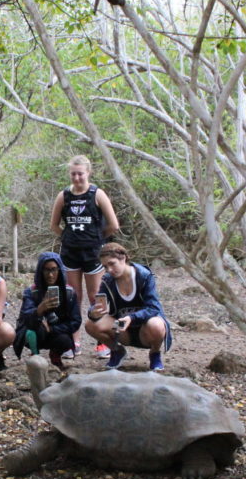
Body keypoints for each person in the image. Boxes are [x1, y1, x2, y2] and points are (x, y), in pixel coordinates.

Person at [50, 155, 120, 359]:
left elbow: (113, 224)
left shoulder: (97, 194)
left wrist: (97, 239)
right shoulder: (63, 196)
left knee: (95, 296)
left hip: (93, 254)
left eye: (80, 173)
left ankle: (102, 341)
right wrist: (68, 237)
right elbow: (54, 225)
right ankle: (74, 342)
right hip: (70, 253)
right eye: (73, 174)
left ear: (88, 173)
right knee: (73, 297)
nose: (77, 178)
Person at [84, 242, 171, 372]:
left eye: (112, 264)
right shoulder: (107, 280)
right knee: (91, 324)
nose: (109, 270)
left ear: (123, 258)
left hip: (144, 329)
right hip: (122, 329)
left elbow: (153, 308)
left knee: (157, 324)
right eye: (105, 266)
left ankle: (155, 354)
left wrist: (131, 318)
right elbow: (96, 306)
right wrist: (93, 313)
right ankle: (117, 351)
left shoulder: (144, 276)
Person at [13, 251, 82, 370]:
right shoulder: (32, 292)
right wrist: (40, 310)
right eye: (46, 270)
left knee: (65, 340)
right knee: (33, 331)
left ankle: (55, 355)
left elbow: (75, 321)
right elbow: (24, 321)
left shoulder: (69, 293)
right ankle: (35, 358)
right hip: (37, 332)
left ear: (59, 270)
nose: (50, 275)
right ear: (40, 271)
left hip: (57, 333)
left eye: (54, 270)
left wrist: (53, 328)